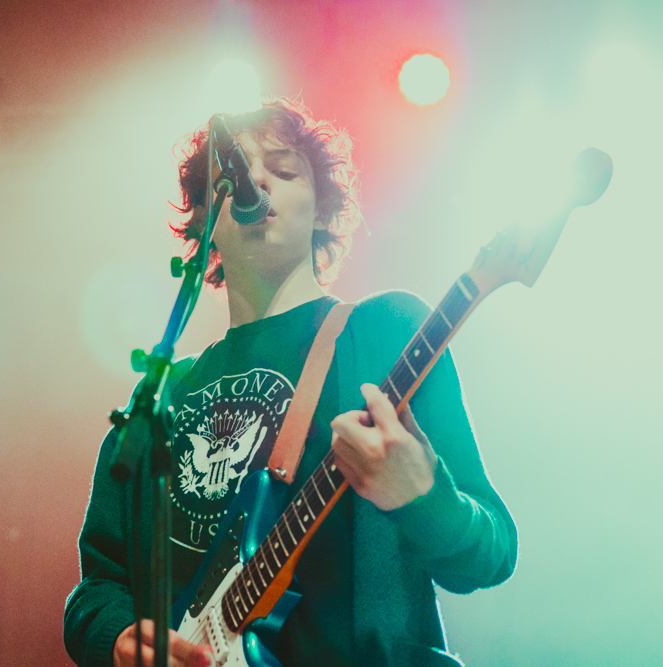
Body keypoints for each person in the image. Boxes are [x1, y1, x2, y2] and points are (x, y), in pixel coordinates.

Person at [63, 98, 518, 667]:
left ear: (322, 212)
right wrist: (120, 637)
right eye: (234, 177)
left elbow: (493, 550)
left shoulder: (384, 332)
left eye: (283, 170)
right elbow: (98, 585)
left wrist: (421, 496)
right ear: (204, 222)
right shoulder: (162, 397)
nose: (256, 182)